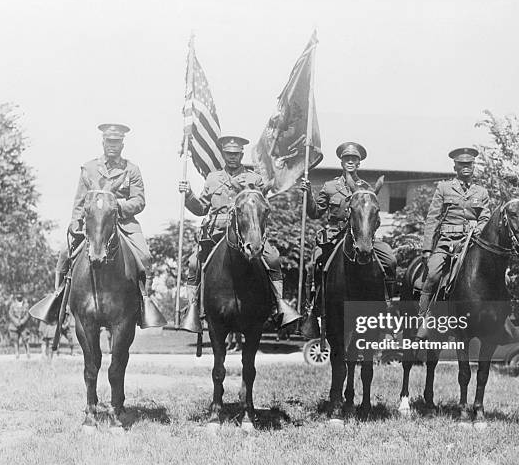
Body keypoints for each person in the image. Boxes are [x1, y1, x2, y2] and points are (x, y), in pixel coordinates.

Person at [54, 123, 164, 328]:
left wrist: (116, 208)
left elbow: (139, 200)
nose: (112, 145)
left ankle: (144, 303)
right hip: (93, 224)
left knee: (146, 257)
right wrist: (75, 222)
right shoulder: (89, 168)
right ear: (102, 142)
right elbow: (79, 202)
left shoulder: (131, 169)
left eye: (116, 142)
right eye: (109, 141)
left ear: (122, 144)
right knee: (63, 253)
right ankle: (59, 301)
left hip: (123, 223)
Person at [179, 136, 291, 328]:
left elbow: (262, 205)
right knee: (193, 263)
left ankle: (279, 306)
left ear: (241, 155)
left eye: (236, 154)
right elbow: (201, 208)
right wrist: (188, 195)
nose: (232, 157)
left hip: (247, 231)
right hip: (216, 231)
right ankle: (193, 308)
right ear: (224, 154)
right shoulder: (213, 178)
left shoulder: (253, 179)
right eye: (229, 154)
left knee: (272, 258)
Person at [300, 142, 397, 333]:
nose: (350, 162)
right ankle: (312, 310)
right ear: (341, 162)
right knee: (314, 265)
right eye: (347, 159)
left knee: (390, 260)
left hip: (363, 236)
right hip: (335, 235)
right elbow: (315, 213)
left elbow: (372, 214)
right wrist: (307, 194)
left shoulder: (366, 188)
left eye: (354, 159)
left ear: (359, 163)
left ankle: (387, 305)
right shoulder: (329, 187)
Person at [417, 147, 491, 339]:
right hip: (446, 243)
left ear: (474, 167)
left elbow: (485, 217)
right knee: (433, 274)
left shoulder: (481, 192)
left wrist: (478, 230)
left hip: (472, 243)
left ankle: (496, 319)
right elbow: (432, 218)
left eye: (469, 164)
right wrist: (427, 249)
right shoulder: (444, 188)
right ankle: (424, 318)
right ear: (455, 167)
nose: (466, 168)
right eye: (462, 164)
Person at [7, 292, 30, 359]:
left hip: (24, 326)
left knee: (25, 339)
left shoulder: (26, 305)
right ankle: (17, 353)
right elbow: (10, 314)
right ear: (16, 297)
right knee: (15, 339)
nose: (19, 297)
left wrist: (22, 321)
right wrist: (15, 321)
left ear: (22, 296)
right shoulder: (12, 305)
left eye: (20, 296)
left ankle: (28, 352)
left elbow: (28, 314)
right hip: (14, 325)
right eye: (18, 296)